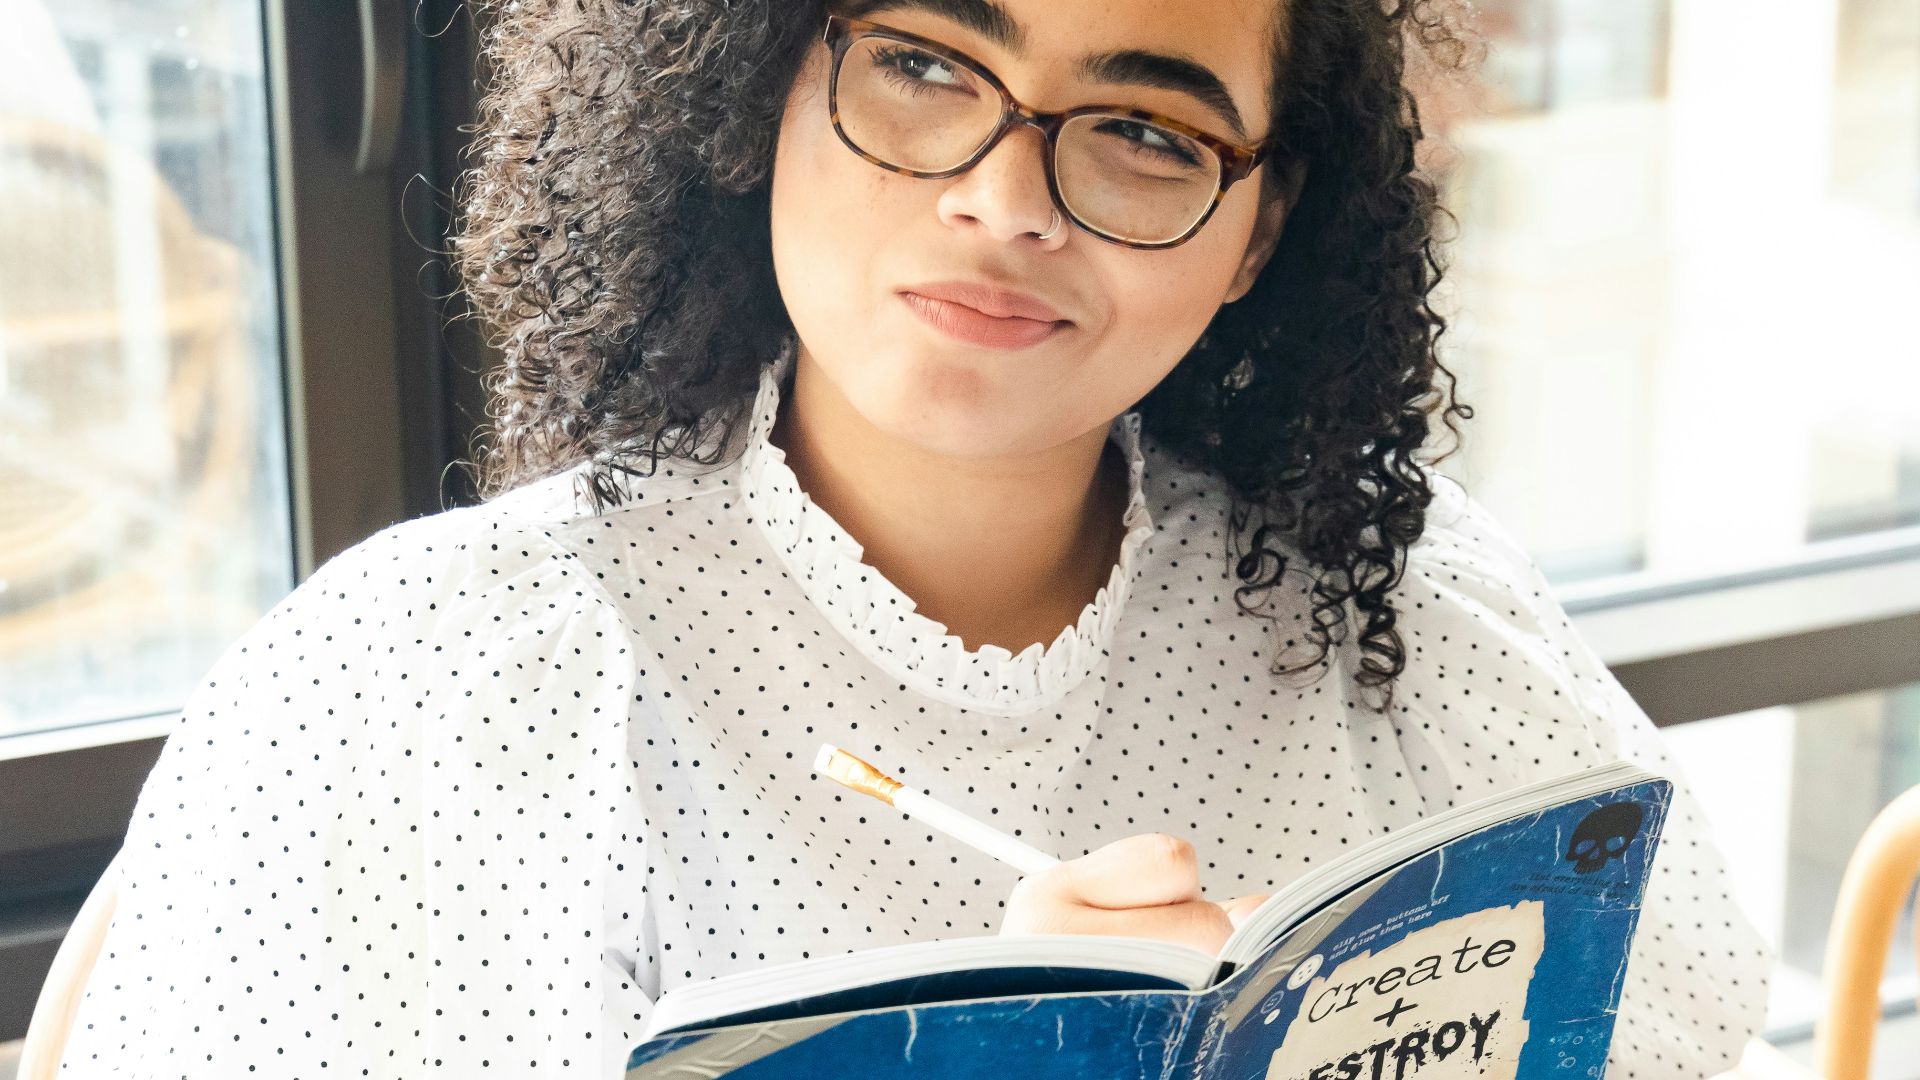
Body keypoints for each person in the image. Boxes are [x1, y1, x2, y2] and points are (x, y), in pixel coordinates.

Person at [55, 0, 1770, 1076]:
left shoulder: (1415, 624)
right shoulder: (426, 688)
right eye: (928, 66)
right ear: (758, 81)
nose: (1004, 199)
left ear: (1258, 230)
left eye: (1146, 130)